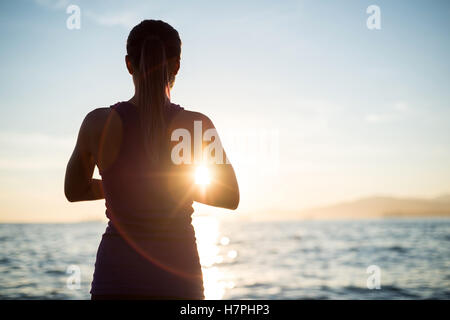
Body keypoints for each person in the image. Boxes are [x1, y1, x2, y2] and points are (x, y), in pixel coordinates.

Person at [64, 19, 239, 300]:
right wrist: (170, 186)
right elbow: (230, 196)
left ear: (129, 64)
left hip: (116, 274)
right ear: (177, 66)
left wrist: (122, 184)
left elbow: (74, 190)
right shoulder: (197, 125)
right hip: (178, 273)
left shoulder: (97, 123)